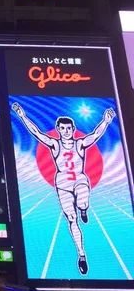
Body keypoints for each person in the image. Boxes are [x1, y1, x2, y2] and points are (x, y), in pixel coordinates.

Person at [12, 103, 115, 275]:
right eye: (63, 128)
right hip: (62, 184)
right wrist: (22, 115)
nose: (66, 131)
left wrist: (106, 120)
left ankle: (84, 208)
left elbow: (96, 135)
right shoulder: (55, 144)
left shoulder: (80, 143)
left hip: (79, 179)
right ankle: (81, 255)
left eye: (69, 128)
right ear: (58, 129)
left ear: (73, 129)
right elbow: (36, 133)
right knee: (72, 219)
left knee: (82, 202)